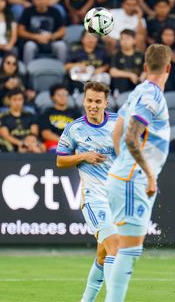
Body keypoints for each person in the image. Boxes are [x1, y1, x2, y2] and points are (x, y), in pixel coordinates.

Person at [106, 44, 172, 302]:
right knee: (129, 251)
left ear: (145, 67)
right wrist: (149, 174)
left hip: (125, 176)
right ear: (168, 68)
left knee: (123, 248)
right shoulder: (151, 96)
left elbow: (117, 133)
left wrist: (121, 163)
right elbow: (132, 137)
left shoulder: (137, 92)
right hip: (134, 179)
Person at [56, 81, 118, 302]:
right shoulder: (74, 129)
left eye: (98, 101)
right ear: (84, 101)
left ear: (105, 103)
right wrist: (83, 156)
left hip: (117, 199)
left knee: (103, 255)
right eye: (89, 101)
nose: (93, 105)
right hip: (94, 198)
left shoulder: (118, 124)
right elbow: (60, 160)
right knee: (115, 247)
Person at [18, 0, 67, 64]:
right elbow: (20, 31)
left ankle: (62, 70)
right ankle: (27, 71)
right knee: (29, 46)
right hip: (34, 42)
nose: (41, 1)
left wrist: (51, 36)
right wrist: (36, 37)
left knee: (61, 45)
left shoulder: (55, 11)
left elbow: (63, 30)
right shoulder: (28, 11)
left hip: (51, 41)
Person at [39, 84, 81, 152]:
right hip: (53, 142)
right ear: (52, 97)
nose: (62, 97)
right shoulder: (47, 113)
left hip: (72, 143)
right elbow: (46, 134)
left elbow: (79, 133)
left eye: (65, 94)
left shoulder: (75, 113)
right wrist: (64, 142)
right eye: (59, 95)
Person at [110, 29, 145, 93]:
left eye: (128, 38)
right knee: (121, 80)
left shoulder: (140, 55)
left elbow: (146, 69)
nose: (125, 41)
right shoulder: (116, 55)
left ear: (134, 40)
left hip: (138, 83)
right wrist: (130, 75)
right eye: (122, 39)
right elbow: (113, 72)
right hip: (122, 86)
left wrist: (143, 76)